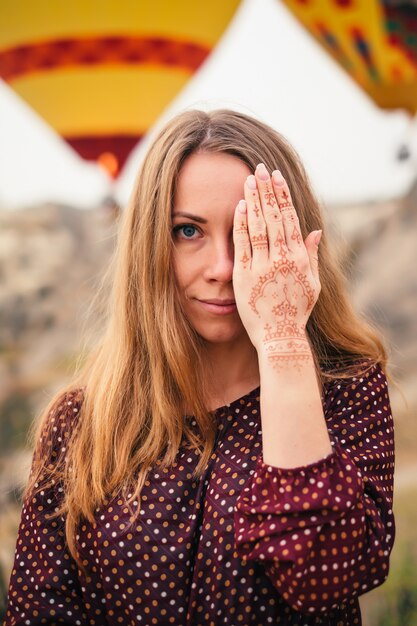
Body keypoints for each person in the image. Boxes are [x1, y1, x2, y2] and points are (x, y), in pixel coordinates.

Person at [4, 109, 395, 626]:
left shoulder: (346, 394)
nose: (222, 269)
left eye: (247, 232)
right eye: (188, 231)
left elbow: (322, 576)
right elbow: (38, 610)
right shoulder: (80, 422)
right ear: (148, 245)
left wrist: (282, 340)